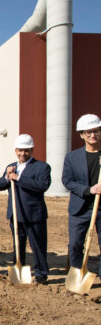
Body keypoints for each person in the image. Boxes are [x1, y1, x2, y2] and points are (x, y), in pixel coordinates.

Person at [0, 134, 51, 284]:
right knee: (18, 244)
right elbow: (0, 186)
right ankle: (18, 266)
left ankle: (41, 273)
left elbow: (42, 186)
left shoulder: (42, 167)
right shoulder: (11, 166)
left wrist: (18, 178)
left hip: (34, 214)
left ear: (32, 150)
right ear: (15, 150)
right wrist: (7, 176)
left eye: (26, 150)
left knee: (38, 245)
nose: (23, 153)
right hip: (16, 213)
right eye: (20, 150)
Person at [62, 114, 101, 278]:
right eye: (88, 132)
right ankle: (77, 274)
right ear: (82, 135)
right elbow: (67, 181)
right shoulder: (72, 157)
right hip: (80, 209)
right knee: (75, 245)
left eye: (96, 131)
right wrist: (88, 190)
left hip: (100, 209)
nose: (93, 135)